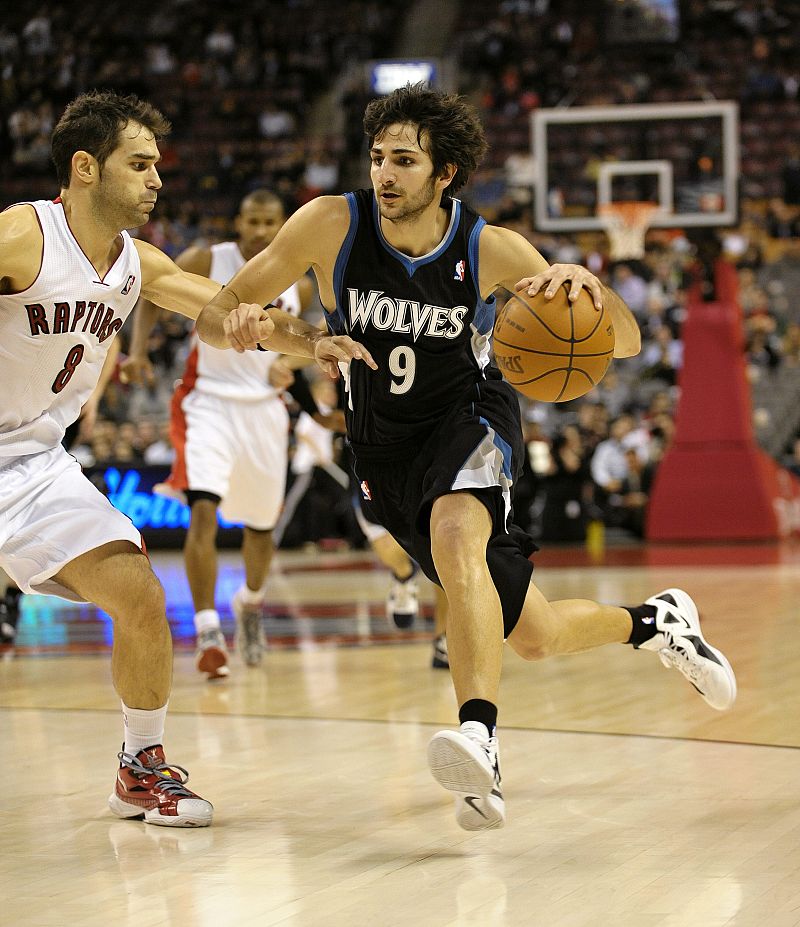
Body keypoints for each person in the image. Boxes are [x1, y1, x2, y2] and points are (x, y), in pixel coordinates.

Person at [196, 84, 737, 832]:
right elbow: (213, 314)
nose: (386, 173)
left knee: (457, 537)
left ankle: (479, 739)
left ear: (445, 172)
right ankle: (658, 621)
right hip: (382, 448)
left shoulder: (493, 248)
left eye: (406, 160)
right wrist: (290, 335)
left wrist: (591, 285)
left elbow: (625, 340)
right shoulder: (330, 224)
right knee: (536, 634)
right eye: (379, 157)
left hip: (470, 419)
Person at [0, 90, 368, 827]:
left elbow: (230, 310)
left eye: (157, 165)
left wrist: (313, 342)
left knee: (138, 593)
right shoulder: (22, 236)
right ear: (83, 167)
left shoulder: (137, 264)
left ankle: (140, 768)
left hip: (31, 462)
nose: (156, 179)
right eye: (138, 164)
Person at [123, 190, 316, 679]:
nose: (259, 230)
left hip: (264, 412)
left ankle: (250, 604)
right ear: (239, 220)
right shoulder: (207, 259)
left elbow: (303, 336)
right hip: (207, 400)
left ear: (281, 225)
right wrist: (139, 350)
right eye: (251, 219)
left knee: (261, 529)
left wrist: (289, 365)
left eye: (269, 221)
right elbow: (151, 292)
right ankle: (208, 627)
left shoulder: (300, 279)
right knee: (202, 511)